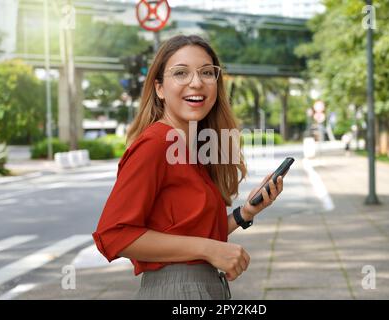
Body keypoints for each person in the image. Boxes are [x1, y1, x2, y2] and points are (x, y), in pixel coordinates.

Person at [92, 35, 284, 300]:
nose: (197, 82)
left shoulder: (190, 148)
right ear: (159, 88)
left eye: (207, 73)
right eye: (181, 73)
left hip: (202, 289)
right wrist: (209, 249)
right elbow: (113, 235)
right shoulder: (155, 144)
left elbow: (188, 233)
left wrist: (246, 213)